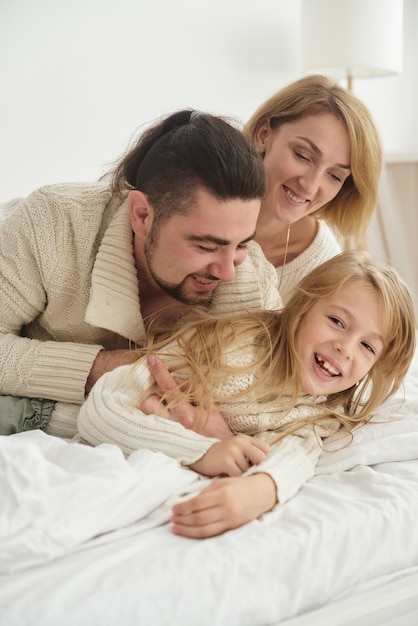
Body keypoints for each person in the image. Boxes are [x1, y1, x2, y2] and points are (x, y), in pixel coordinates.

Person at [77, 251, 416, 538]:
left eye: (367, 346)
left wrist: (260, 490)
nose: (345, 347)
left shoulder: (322, 410)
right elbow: (102, 406)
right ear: (303, 307)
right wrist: (202, 451)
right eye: (337, 321)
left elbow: (296, 454)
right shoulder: (230, 348)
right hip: (63, 430)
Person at [0, 110, 282, 438]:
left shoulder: (255, 284)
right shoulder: (52, 224)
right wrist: (106, 369)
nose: (227, 272)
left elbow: (282, 402)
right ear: (143, 215)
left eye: (241, 245)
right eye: (206, 246)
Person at [244, 74, 383, 304]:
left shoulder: (322, 265)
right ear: (263, 135)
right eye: (302, 155)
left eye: (334, 176)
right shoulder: (196, 197)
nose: (310, 186)